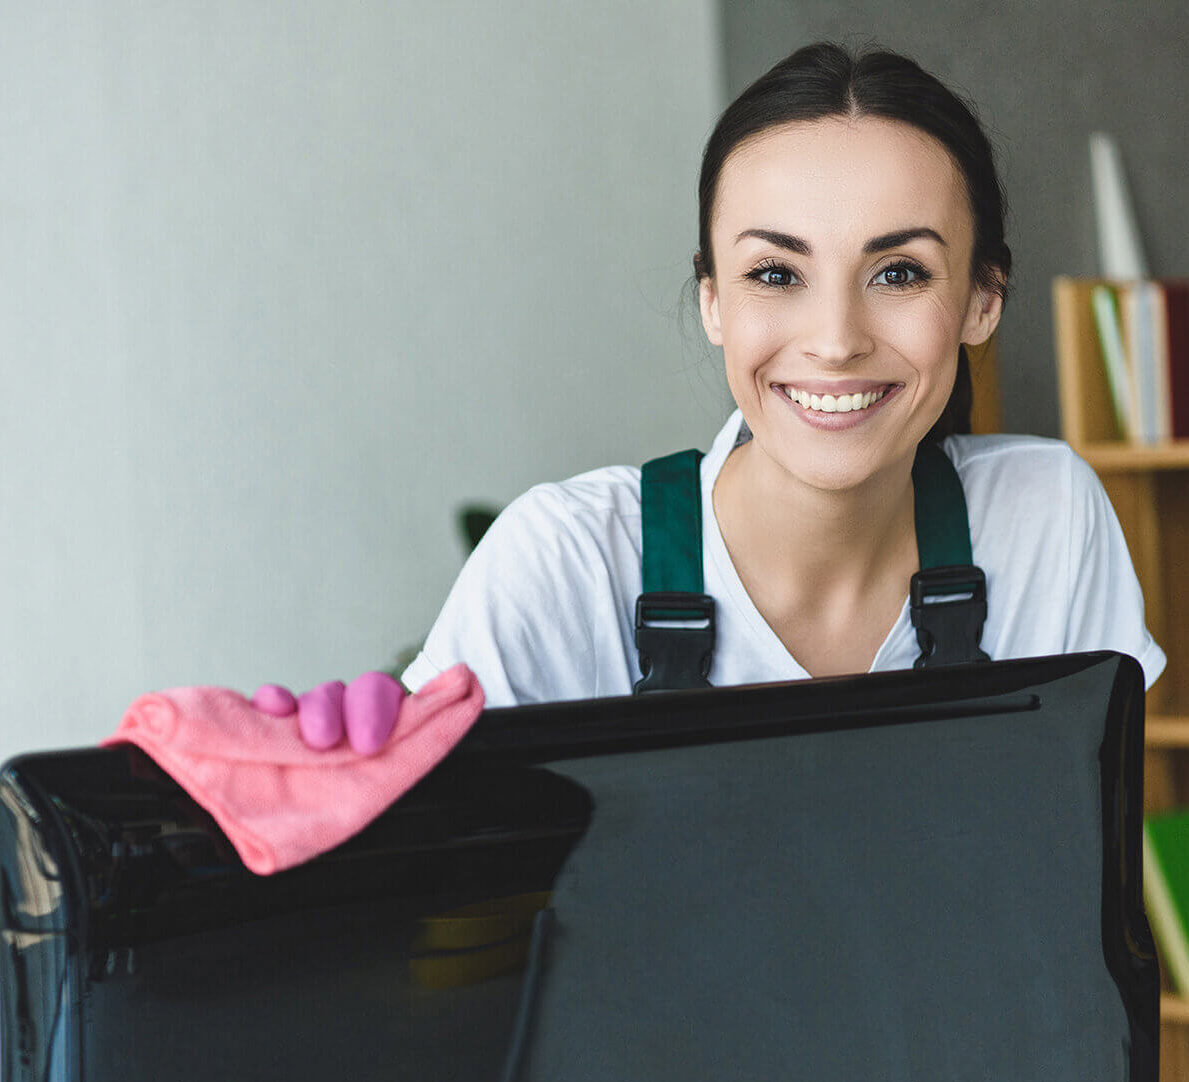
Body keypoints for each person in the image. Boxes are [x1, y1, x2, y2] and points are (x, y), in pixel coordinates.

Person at [389, 41, 1164, 710]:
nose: (834, 342)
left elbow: (1080, 865)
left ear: (981, 301)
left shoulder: (1045, 521)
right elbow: (437, 874)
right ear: (713, 302)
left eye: (897, 273)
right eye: (774, 272)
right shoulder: (565, 564)